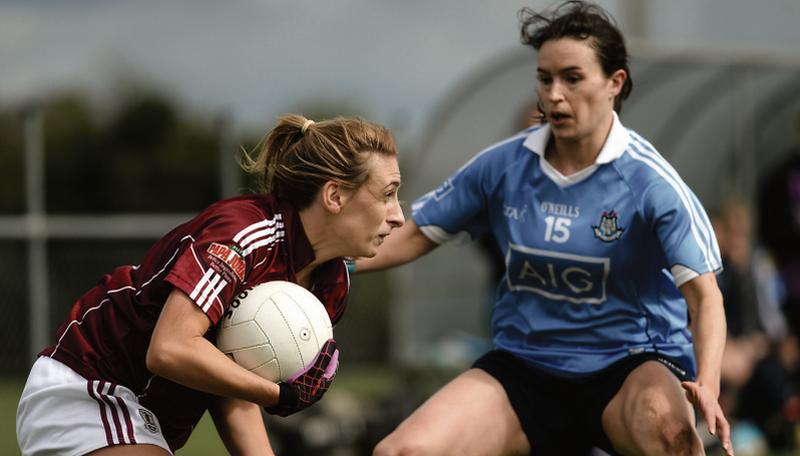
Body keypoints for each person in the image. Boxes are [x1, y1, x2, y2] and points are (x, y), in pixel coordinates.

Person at [359, 2, 733, 455]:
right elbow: (415, 234)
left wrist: (708, 384)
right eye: (545, 78)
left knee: (674, 439)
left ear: (615, 83)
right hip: (524, 368)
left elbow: (705, 296)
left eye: (572, 78)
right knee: (399, 453)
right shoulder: (502, 166)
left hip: (628, 367)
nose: (554, 94)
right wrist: (320, 261)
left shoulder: (651, 183)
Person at [16, 114, 405, 456]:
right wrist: (278, 394)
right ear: (335, 195)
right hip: (91, 387)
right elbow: (169, 348)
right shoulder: (243, 236)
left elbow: (232, 387)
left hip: (142, 417)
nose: (398, 216)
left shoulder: (329, 284)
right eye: (388, 194)